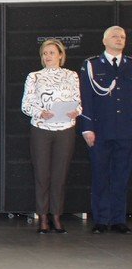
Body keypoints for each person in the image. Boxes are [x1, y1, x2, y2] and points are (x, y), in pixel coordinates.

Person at [21, 38, 81, 233]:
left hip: (65, 129)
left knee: (59, 175)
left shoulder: (71, 75)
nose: (48, 56)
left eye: (52, 53)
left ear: (60, 55)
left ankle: (56, 215)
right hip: (41, 129)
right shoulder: (34, 76)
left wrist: (76, 111)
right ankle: (43, 217)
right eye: (45, 53)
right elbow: (26, 105)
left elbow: (78, 102)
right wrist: (41, 113)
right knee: (42, 175)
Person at [78, 25, 132, 233]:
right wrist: (87, 128)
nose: (119, 39)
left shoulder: (129, 64)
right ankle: (101, 219)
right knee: (100, 175)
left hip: (125, 131)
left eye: (122, 37)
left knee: (121, 176)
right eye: (115, 36)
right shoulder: (92, 65)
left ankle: (118, 219)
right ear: (104, 41)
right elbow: (86, 98)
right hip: (100, 130)